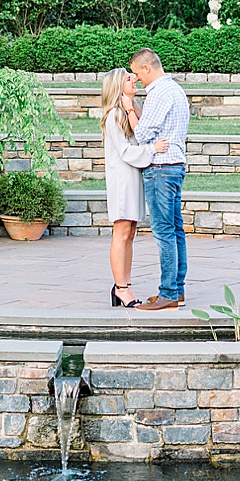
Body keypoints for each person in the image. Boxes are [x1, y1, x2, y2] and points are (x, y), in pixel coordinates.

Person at [126, 47, 189, 310]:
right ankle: (178, 290)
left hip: (161, 168)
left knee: (164, 232)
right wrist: (136, 104)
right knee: (175, 230)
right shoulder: (173, 89)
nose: (137, 78)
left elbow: (141, 135)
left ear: (147, 69)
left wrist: (129, 108)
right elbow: (151, 123)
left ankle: (168, 294)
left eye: (137, 73)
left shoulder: (159, 93)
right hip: (174, 166)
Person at [98, 67, 155, 307]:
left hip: (133, 177)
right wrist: (153, 150)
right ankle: (120, 287)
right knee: (121, 232)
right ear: (117, 86)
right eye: (128, 78)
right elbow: (125, 151)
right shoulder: (113, 116)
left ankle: (126, 284)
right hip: (122, 180)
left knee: (131, 232)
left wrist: (132, 103)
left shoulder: (127, 111)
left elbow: (143, 130)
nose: (134, 80)